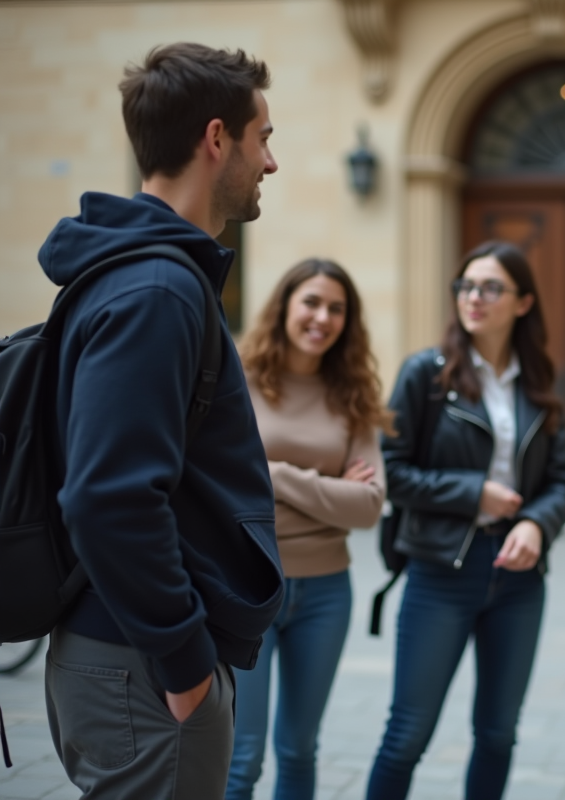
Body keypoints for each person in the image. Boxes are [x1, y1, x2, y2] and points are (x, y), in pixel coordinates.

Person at [39, 43, 283, 799]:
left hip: (127, 658)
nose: (271, 163)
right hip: (143, 667)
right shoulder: (157, 289)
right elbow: (108, 496)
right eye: (263, 138)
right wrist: (185, 670)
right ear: (217, 140)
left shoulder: (139, 272)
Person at [366, 241, 565, 800]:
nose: (473, 298)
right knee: (407, 734)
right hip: (440, 572)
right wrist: (472, 493)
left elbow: (561, 481)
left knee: (497, 735)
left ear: (523, 302)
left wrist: (535, 523)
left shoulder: (537, 381)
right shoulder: (425, 374)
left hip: (518, 578)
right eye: (465, 286)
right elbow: (395, 472)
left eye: (490, 288)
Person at [225, 259, 389, 800]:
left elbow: (367, 507)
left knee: (298, 749)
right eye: (311, 303)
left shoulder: (354, 395)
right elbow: (221, 482)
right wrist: (326, 487)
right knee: (239, 756)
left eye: (336, 308)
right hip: (247, 584)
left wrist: (271, 473)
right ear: (285, 307)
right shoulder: (238, 379)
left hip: (325, 594)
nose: (322, 317)